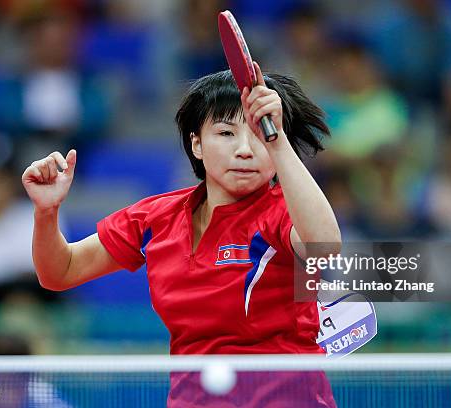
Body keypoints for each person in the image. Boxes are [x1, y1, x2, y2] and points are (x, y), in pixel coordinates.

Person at [22, 64, 340, 407]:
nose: (245, 149)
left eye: (258, 134)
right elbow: (60, 271)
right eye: (226, 133)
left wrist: (277, 139)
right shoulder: (156, 218)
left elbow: (324, 250)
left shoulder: (279, 211)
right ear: (197, 144)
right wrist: (46, 212)